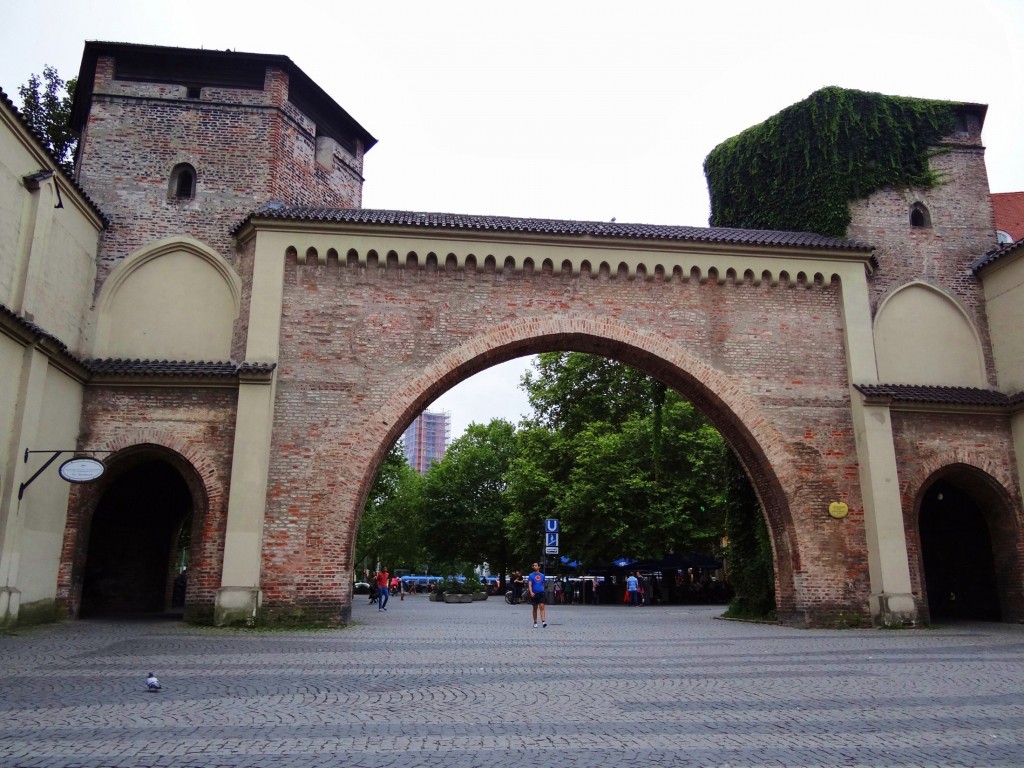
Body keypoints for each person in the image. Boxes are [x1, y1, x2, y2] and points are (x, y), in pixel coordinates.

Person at [527, 562, 547, 628]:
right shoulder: (531, 575)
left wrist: (543, 589)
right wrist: (531, 592)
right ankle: (535, 622)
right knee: (535, 608)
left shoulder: (542, 575)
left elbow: (543, 583)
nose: (534, 566)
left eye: (535, 565)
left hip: (541, 593)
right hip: (534, 593)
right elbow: (530, 584)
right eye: (533, 565)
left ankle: (543, 621)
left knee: (542, 607)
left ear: (539, 567)